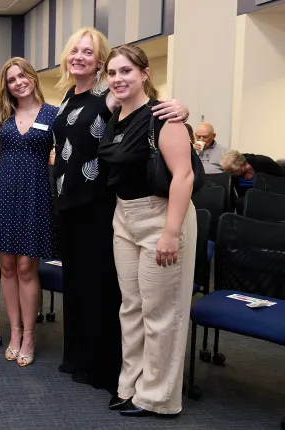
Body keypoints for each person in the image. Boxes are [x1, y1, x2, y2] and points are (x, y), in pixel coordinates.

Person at [51, 27, 189, 396]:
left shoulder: (109, 95)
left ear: (100, 61)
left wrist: (181, 108)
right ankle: (86, 363)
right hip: (75, 206)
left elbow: (151, 112)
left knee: (108, 293)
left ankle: (110, 370)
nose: (79, 56)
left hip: (100, 205)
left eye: (89, 52)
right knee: (88, 291)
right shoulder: (67, 96)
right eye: (74, 50)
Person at [98, 44, 197, 418]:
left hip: (161, 216)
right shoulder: (114, 114)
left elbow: (183, 176)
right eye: (112, 73)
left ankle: (157, 396)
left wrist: (171, 233)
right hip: (125, 217)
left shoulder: (164, 117)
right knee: (132, 307)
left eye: (126, 71)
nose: (119, 78)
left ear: (144, 73)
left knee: (161, 313)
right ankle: (131, 383)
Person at [0, 57, 57, 367]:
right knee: (7, 267)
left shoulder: (54, 114)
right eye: (11, 79)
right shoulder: (1, 115)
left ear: (33, 78)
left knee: (27, 267)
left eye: (22, 76)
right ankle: (14, 331)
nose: (18, 82)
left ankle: (29, 335)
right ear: (6, 86)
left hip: (36, 193)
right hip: (2, 191)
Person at [220, 149, 285, 211]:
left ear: (242, 166)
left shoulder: (263, 162)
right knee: (240, 203)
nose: (229, 174)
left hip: (270, 194)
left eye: (231, 172)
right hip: (250, 198)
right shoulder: (233, 174)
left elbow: (282, 179)